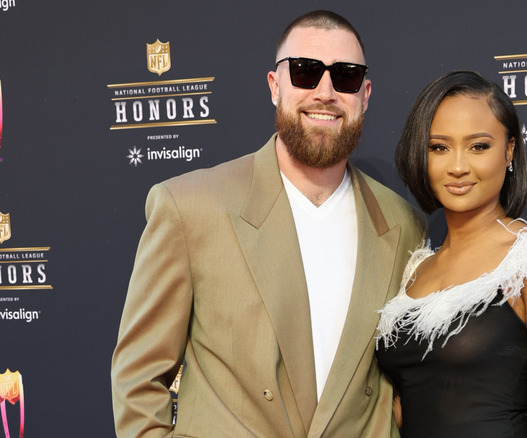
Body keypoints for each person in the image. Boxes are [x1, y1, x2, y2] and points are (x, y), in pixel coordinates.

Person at [111, 10, 425, 438]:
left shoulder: (402, 224)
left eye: (346, 77)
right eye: (305, 72)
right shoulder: (189, 207)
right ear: (275, 87)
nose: (326, 92)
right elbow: (138, 379)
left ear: (365, 94)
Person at [375, 70, 527, 438]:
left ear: (509, 149)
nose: (457, 166)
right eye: (439, 147)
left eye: (478, 146)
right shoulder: (416, 270)